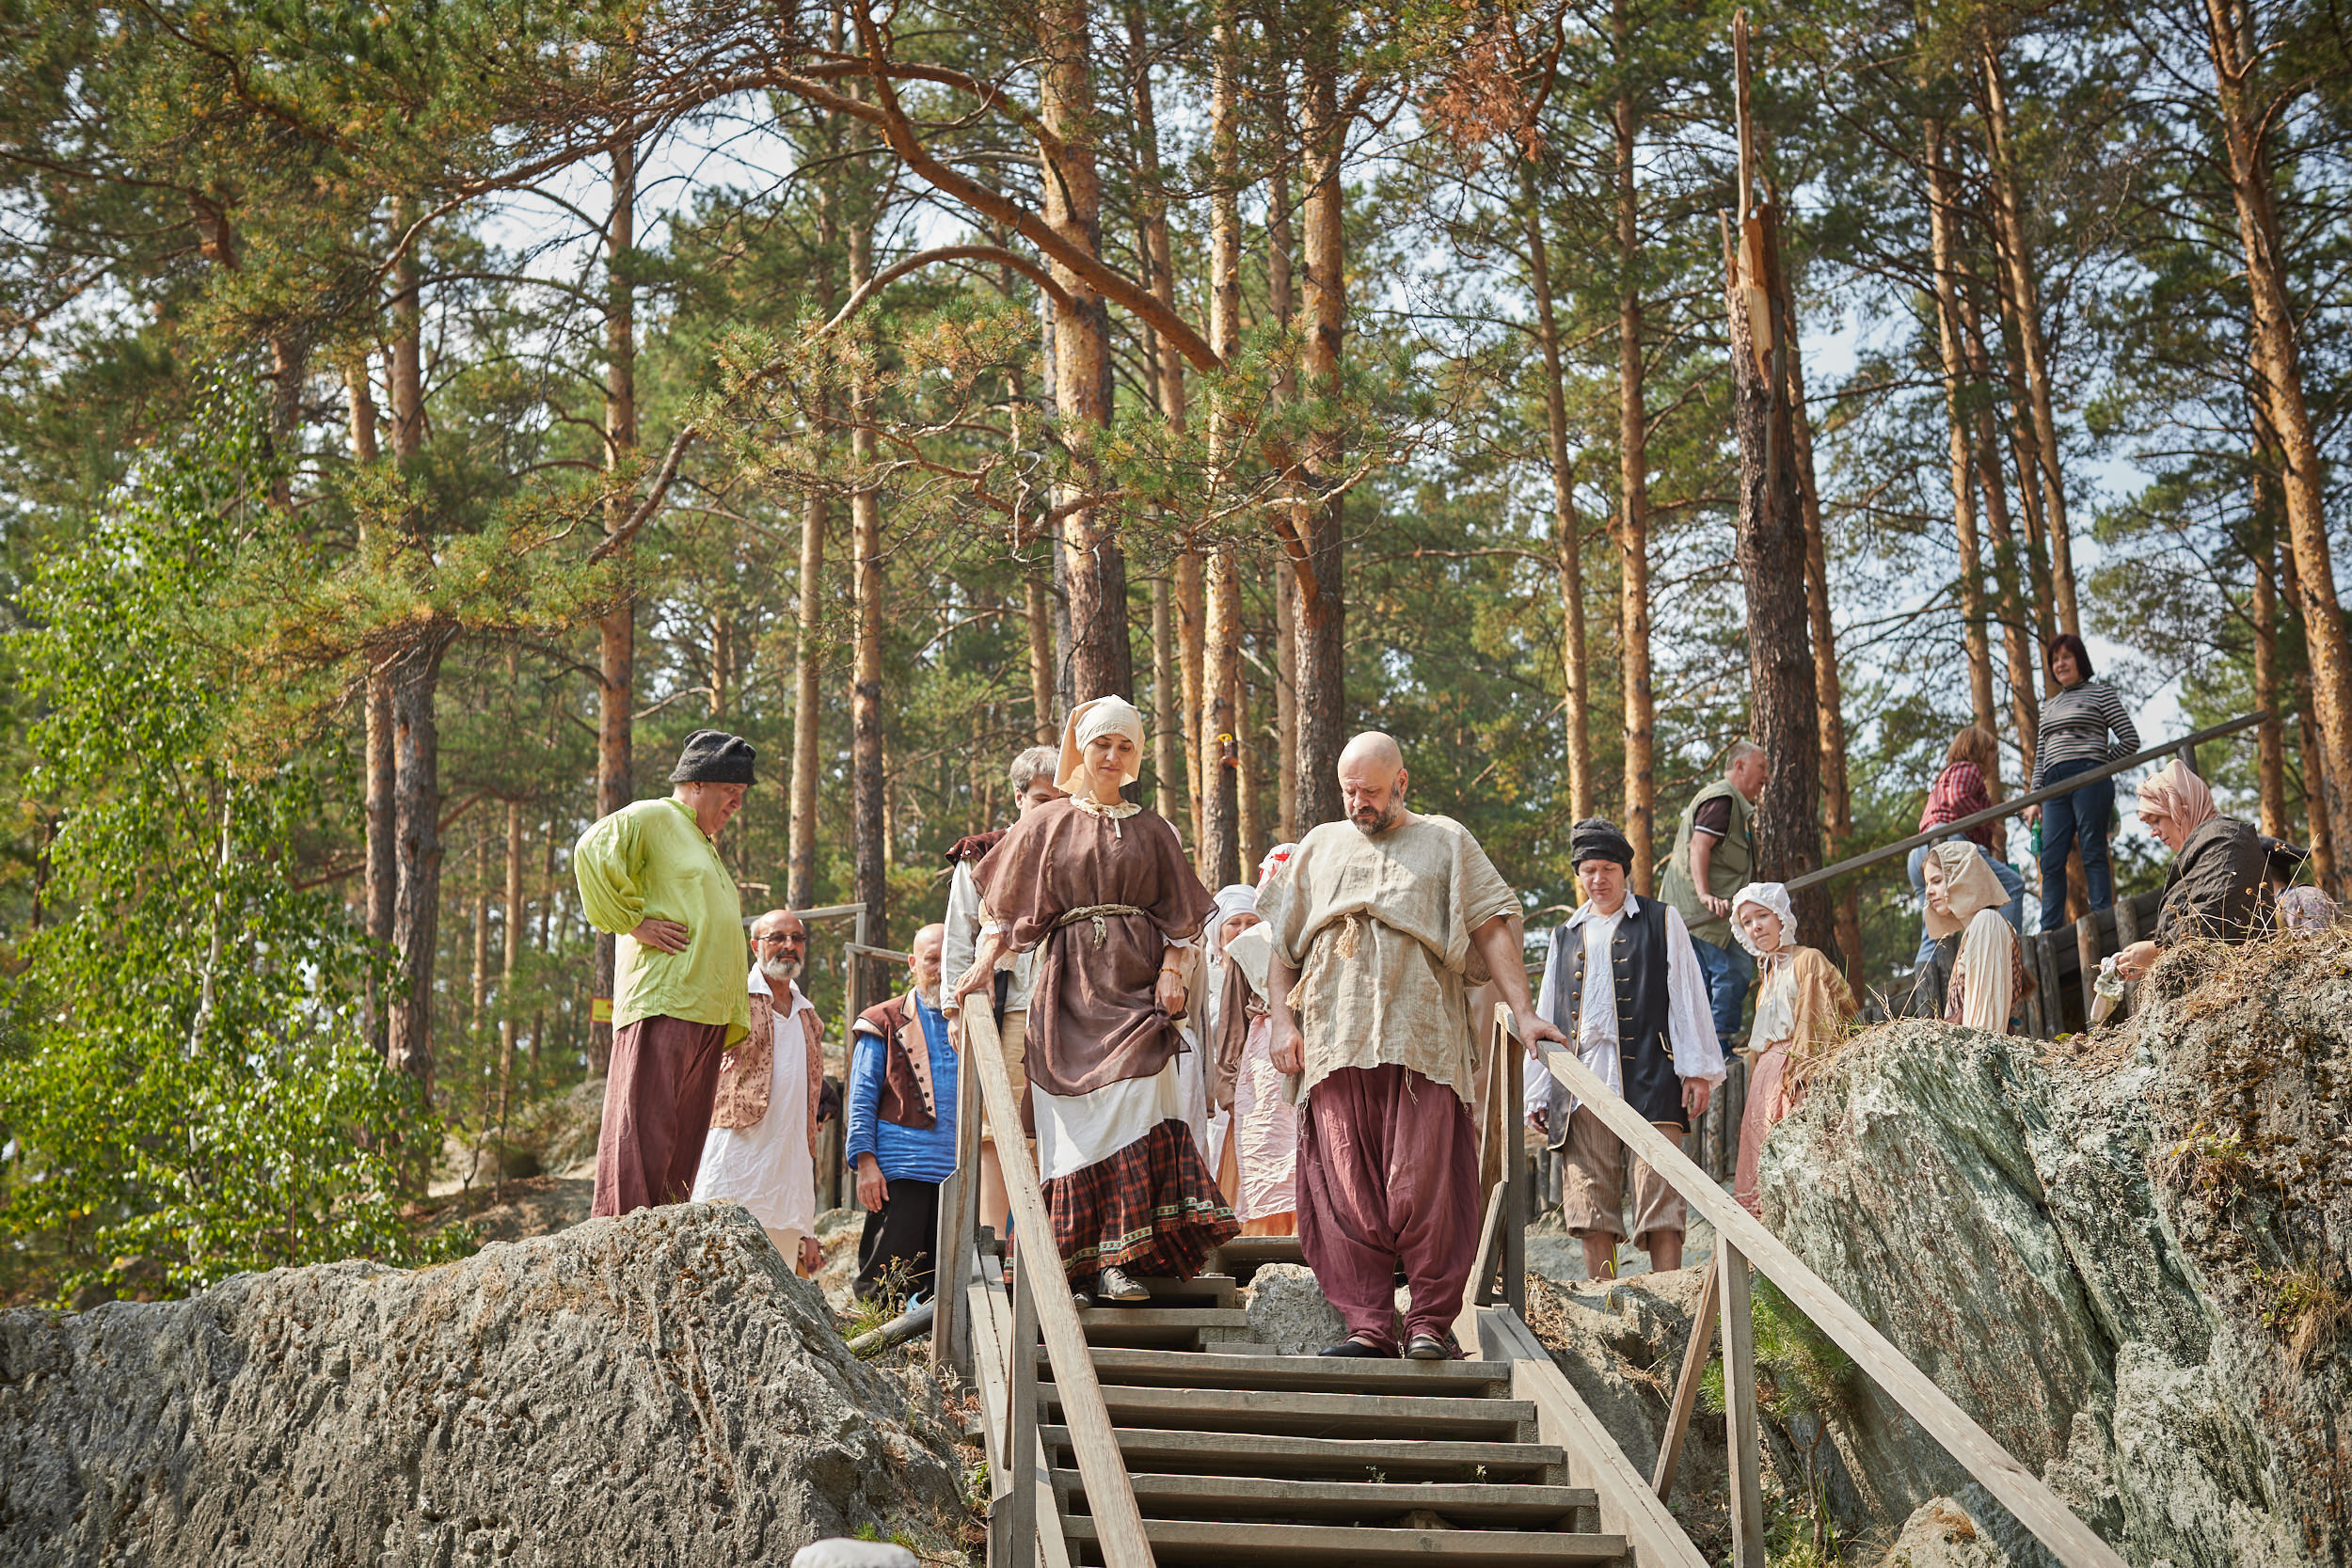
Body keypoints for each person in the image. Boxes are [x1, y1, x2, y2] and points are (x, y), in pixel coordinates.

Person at [1258, 732, 1566, 1360]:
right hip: (1335, 1039)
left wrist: (1526, 1013)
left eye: (1370, 791)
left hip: (1421, 1036)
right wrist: (1283, 1025)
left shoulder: (1446, 839)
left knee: (1426, 1185)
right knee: (1346, 1185)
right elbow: (1283, 950)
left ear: (1401, 781)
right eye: (1349, 791)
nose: (1358, 803)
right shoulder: (1319, 845)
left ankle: (1428, 1321)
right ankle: (1368, 1325)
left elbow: (1491, 928)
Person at [956, 696, 1232, 1307]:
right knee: (1072, 1132)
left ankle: (1119, 1261)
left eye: (1124, 745)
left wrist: (1174, 970)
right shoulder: (1045, 824)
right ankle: (1072, 1272)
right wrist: (982, 965)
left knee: (1139, 1105)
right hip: (1066, 994)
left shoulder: (1154, 830)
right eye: (1101, 743)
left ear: (1136, 755)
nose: (1112, 755)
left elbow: (1183, 920)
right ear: (1081, 749)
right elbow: (1002, 911)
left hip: (1137, 991)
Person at [1526, 817, 1725, 1280]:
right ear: (1579, 874)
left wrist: (1695, 1070)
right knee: (1589, 1196)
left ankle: (1668, 1292)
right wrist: (1538, 1090)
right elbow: (1547, 1011)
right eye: (1589, 870)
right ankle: (1608, 1298)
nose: (1598, 880)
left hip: (1652, 1074)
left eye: (1607, 869)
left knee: (1660, 1187)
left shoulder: (1661, 919)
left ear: (1624, 871)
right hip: (1581, 1081)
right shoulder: (1564, 934)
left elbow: (1687, 996)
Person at [574, 729, 756, 1217]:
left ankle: (664, 1240)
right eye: (730, 791)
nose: (737, 804)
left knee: (682, 1145)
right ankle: (619, 1239)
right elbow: (591, 849)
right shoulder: (656, 816)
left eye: (741, 794)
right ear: (696, 783)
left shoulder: (701, 841)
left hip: (706, 1014)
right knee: (641, 1136)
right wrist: (633, 922)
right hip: (663, 1004)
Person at [939, 743, 1064, 1243]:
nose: (1051, 810)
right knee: (999, 1125)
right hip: (1009, 1010)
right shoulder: (983, 853)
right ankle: (993, 1242)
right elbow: (959, 936)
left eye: (1061, 800)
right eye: (1041, 799)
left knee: (1060, 1128)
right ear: (1018, 798)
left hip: (1071, 1011)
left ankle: (1049, 1244)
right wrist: (955, 1011)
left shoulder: (1079, 848)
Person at [692, 910, 824, 1277]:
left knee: (779, 1268)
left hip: (790, 1158)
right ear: (755, 946)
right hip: (738, 1149)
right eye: (777, 938)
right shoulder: (731, 998)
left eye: (797, 938)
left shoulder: (808, 1015)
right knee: (718, 1252)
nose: (789, 946)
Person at [1724, 884, 1854, 1219]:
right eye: (1747, 921)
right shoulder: (1766, 979)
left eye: (1762, 916)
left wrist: (1802, 1079)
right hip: (1764, 1084)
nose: (1756, 926)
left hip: (1795, 1075)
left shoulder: (1807, 960)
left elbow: (1824, 1021)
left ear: (1781, 916)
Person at [846, 924, 960, 1304]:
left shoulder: (976, 1021)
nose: (941, 969)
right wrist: (865, 1163)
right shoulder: (882, 1019)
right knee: (886, 1281)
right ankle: (874, 1337)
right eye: (932, 959)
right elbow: (861, 1096)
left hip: (957, 1173)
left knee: (945, 1286)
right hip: (900, 1168)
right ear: (913, 963)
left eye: (949, 959)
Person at [2112, 762, 2274, 979]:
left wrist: (2159, 951)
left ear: (2181, 807)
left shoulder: (2227, 843)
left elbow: (2218, 916)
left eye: (2156, 819)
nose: (2153, 833)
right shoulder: (2202, 854)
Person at [2024, 634, 2139, 931]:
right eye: (2055, 660)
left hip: (2090, 780)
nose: (2060, 664)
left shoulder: (2101, 694)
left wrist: (2099, 764)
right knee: (2051, 858)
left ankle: (2103, 918)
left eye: (2066, 657)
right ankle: (2049, 929)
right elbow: (2041, 756)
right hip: (2054, 786)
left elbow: (2130, 739)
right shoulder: (2049, 706)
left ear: (2080, 660)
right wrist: (2034, 798)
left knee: (2092, 849)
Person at [1657, 741, 1768, 1044]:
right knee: (1732, 970)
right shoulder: (1722, 799)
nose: (1766, 776)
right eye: (1761, 767)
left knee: (1703, 981)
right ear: (1740, 766)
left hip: (1703, 911)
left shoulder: (1734, 805)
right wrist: (1705, 894)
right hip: (1704, 912)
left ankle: (1701, 1049)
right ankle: (1718, 1047)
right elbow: (1699, 846)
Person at [1206, 880, 1297, 1238]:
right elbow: (1232, 1025)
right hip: (1258, 1074)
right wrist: (1228, 1085)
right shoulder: (1246, 951)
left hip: (1303, 1065)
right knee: (1263, 1150)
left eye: (1250, 920)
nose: (1242, 929)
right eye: (1234, 922)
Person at [1907, 726, 2026, 961]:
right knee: (2012, 886)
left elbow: (1953, 808)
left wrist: (1986, 846)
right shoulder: (1968, 769)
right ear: (1978, 750)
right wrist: (1993, 826)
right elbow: (1958, 799)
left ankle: (1924, 981)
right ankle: (2008, 954)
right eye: (1991, 752)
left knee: (1934, 930)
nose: (1994, 758)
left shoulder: (1943, 778)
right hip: (1946, 844)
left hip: (1920, 853)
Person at [1914, 840, 2035, 1034]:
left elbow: (1984, 1031)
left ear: (1962, 875)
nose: (1928, 892)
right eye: (1927, 884)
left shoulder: (1988, 923)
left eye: (1936, 881)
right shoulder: (1973, 932)